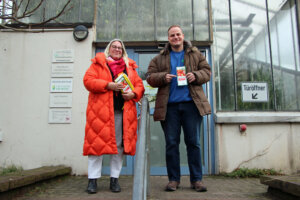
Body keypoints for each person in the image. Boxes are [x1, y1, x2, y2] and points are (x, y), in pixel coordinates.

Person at [146, 25, 211, 192]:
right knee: (171, 144)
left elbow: (207, 72)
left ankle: (196, 180)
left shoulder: (195, 55)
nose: (175, 37)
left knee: (193, 143)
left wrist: (195, 75)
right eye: (172, 35)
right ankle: (173, 180)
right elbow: (150, 77)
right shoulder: (159, 58)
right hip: (170, 108)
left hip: (191, 105)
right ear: (168, 39)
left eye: (178, 34)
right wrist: (163, 77)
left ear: (183, 36)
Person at [83, 39, 145, 194]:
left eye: (120, 47)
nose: (117, 49)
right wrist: (107, 85)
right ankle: (92, 180)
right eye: (114, 47)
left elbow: (139, 86)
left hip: (122, 113)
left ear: (123, 50)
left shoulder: (129, 67)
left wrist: (133, 94)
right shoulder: (97, 64)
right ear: (108, 49)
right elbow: (88, 81)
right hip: (100, 114)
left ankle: (114, 179)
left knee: (119, 147)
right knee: (96, 148)